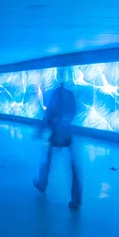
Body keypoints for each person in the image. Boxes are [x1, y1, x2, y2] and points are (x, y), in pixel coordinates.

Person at [33, 82, 82, 210]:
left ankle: (42, 185)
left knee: (48, 159)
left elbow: (48, 113)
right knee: (72, 165)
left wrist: (42, 129)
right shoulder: (69, 94)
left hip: (56, 132)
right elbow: (74, 110)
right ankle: (76, 198)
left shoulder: (56, 94)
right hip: (66, 132)